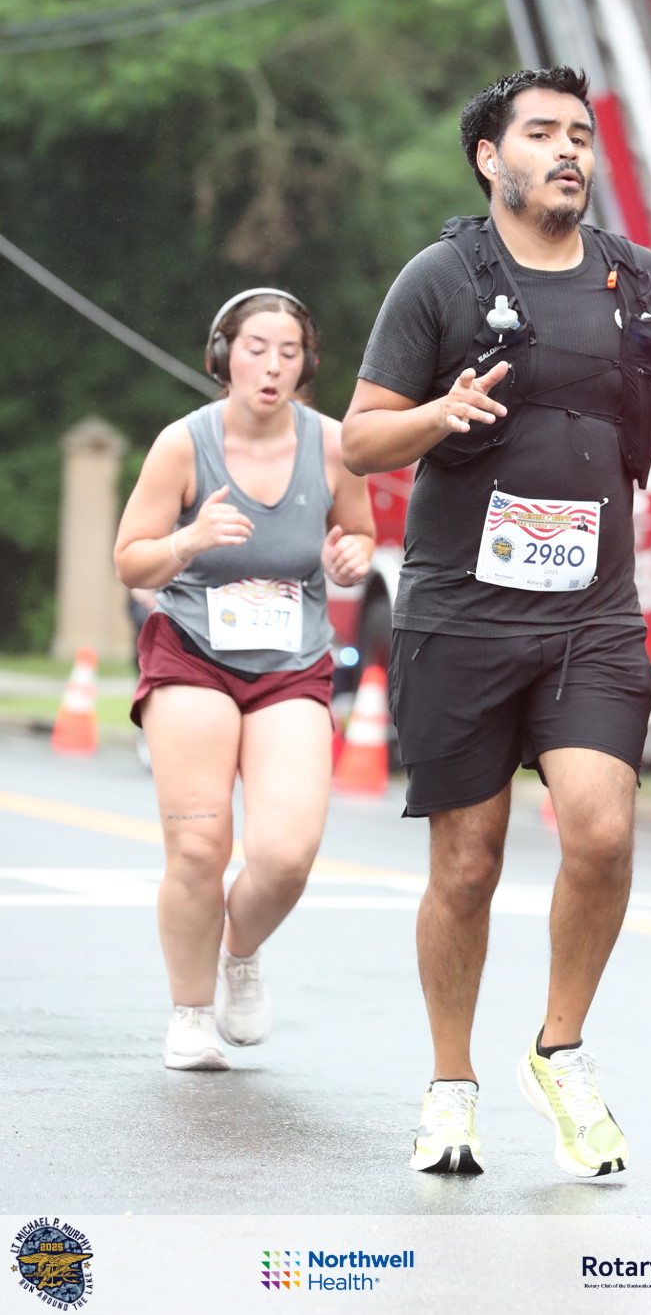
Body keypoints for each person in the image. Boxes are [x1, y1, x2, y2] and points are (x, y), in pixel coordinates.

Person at [340, 67, 651, 1179]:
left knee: (601, 830)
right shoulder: (440, 279)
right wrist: (437, 413)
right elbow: (361, 440)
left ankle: (558, 1050)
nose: (569, 151)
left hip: (592, 614)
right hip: (462, 614)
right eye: (543, 134)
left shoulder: (638, 282)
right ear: (490, 158)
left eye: (582, 135)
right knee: (467, 863)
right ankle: (450, 1085)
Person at [114, 288, 374, 1070]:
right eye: (256, 349)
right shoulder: (183, 445)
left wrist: (351, 555)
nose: (271, 367)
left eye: (288, 353)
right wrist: (189, 541)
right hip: (193, 652)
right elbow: (131, 560)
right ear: (223, 355)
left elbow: (359, 531)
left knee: (286, 854)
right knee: (199, 847)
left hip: (291, 664)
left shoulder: (333, 444)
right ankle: (191, 1015)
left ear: (306, 366)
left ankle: (240, 952)